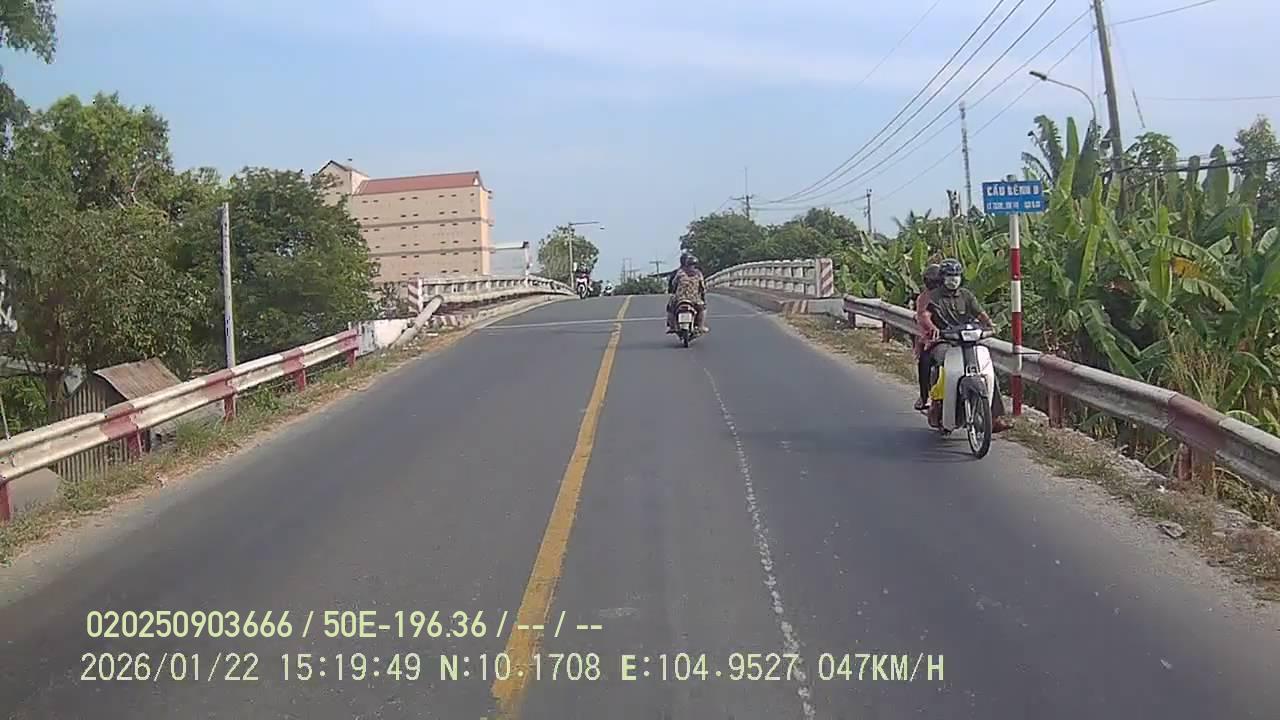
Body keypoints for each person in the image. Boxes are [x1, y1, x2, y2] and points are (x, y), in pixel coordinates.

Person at [918, 258, 1010, 430]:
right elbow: (925, 315)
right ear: (942, 278)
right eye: (949, 276)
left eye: (956, 276)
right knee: (940, 363)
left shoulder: (966, 295)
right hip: (944, 340)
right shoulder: (933, 296)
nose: (953, 279)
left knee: (987, 370)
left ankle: (994, 416)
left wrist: (990, 324)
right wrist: (933, 328)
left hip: (967, 340)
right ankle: (934, 401)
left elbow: (980, 312)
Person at [913, 264, 943, 411]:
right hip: (933, 339)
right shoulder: (924, 298)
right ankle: (924, 396)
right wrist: (930, 333)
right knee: (924, 362)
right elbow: (923, 317)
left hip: (957, 337)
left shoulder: (957, 296)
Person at [667, 253, 708, 333]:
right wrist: (702, 295)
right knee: (702, 309)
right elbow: (702, 287)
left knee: (670, 308)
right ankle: (701, 326)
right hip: (694, 299)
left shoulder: (680, 273)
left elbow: (674, 284)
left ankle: (672, 327)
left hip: (679, 299)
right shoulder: (698, 274)